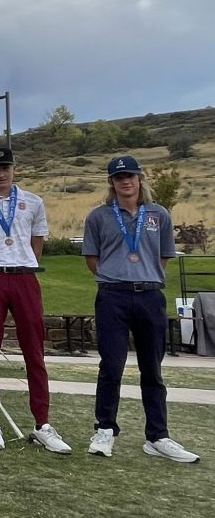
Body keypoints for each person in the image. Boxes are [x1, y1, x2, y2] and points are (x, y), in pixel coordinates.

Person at [82, 156, 199, 463]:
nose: (126, 182)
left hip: (149, 296)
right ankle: (105, 429)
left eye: (130, 176)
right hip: (112, 296)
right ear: (112, 183)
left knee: (153, 368)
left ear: (139, 179)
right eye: (119, 177)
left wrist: (143, 276)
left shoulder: (158, 214)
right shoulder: (98, 217)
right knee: (111, 366)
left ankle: (158, 436)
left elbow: (163, 257)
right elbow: (92, 259)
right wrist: (117, 277)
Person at [0, 147, 70, 454]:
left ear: (14, 169)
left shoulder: (33, 202)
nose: (1, 173)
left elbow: (37, 241)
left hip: (25, 278)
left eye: (5, 167)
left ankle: (42, 423)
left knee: (34, 351)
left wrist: (21, 263)